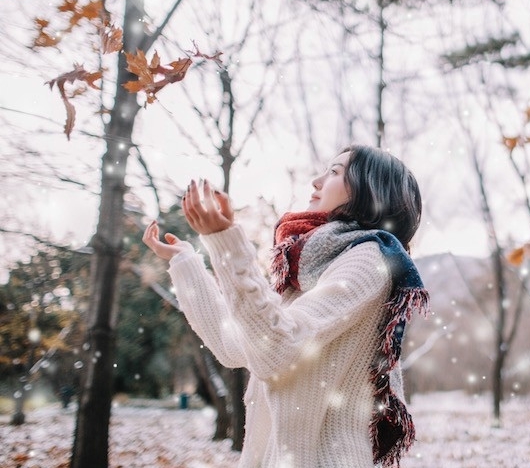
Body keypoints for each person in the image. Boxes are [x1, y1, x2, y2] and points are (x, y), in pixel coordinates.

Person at [142, 145, 428, 468]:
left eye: (334, 172)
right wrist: (186, 262)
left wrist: (225, 240)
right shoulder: (308, 271)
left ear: (369, 191)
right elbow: (233, 344)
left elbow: (276, 351)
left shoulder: (369, 260)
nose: (316, 181)